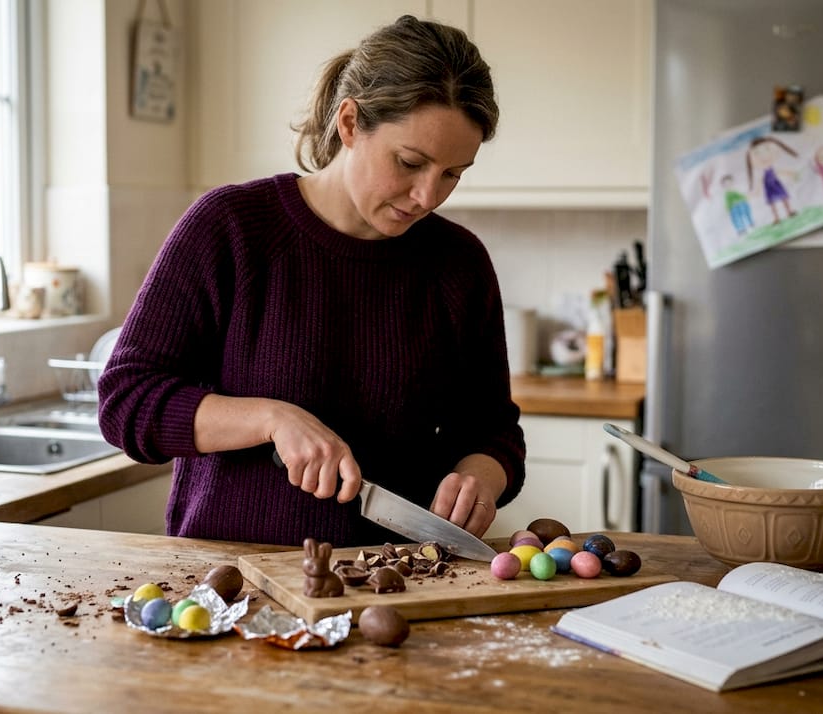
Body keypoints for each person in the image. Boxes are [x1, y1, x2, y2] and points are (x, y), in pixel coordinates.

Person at [97, 15, 526, 548]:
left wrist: (481, 477)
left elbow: (494, 430)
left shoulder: (459, 264)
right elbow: (126, 403)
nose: (426, 196)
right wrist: (270, 418)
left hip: (400, 584)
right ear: (350, 123)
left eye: (452, 174)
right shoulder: (228, 229)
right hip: (232, 580)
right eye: (410, 162)